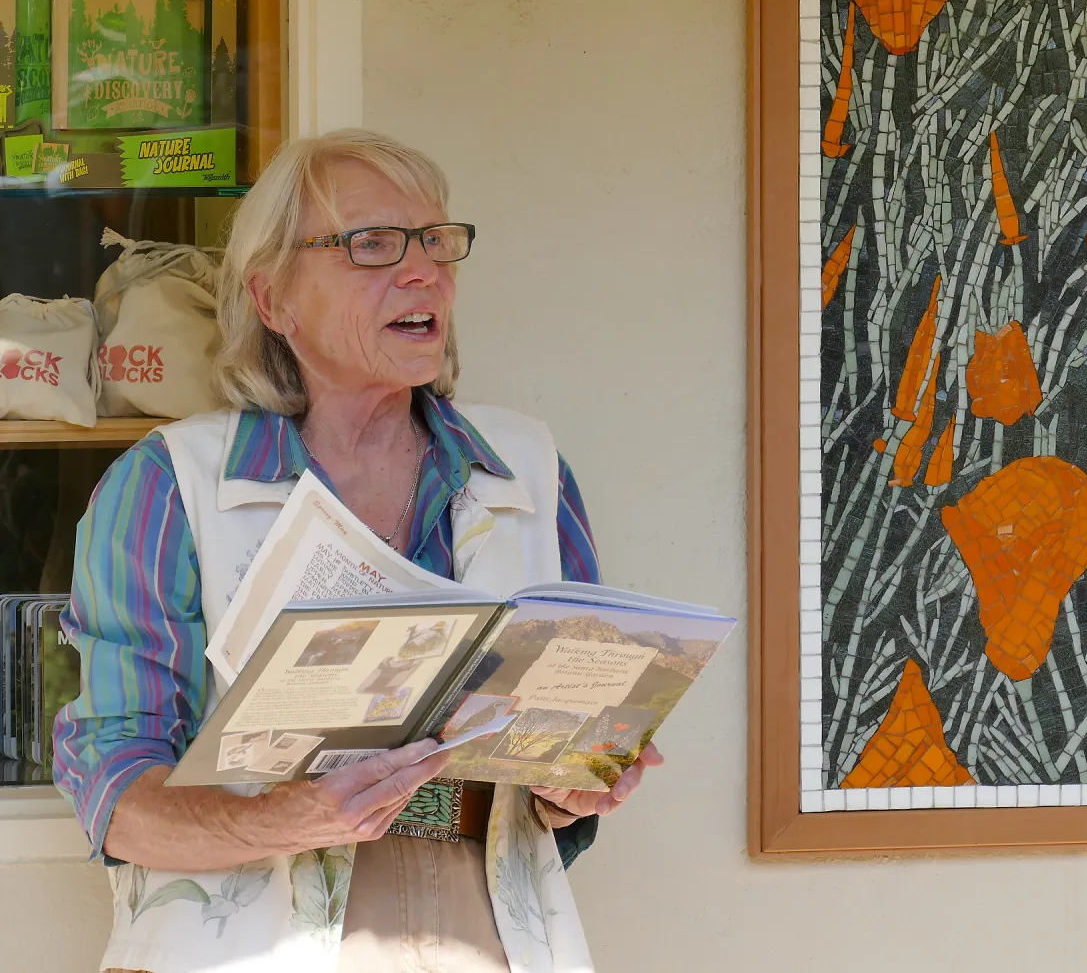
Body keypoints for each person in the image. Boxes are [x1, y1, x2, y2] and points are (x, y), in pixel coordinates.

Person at [52, 129, 663, 973]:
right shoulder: (171, 485)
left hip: (492, 934)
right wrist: (288, 819)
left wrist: (574, 788)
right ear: (274, 300)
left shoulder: (528, 468)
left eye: (438, 243)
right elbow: (115, 796)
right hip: (253, 937)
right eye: (372, 245)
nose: (424, 272)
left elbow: (564, 769)